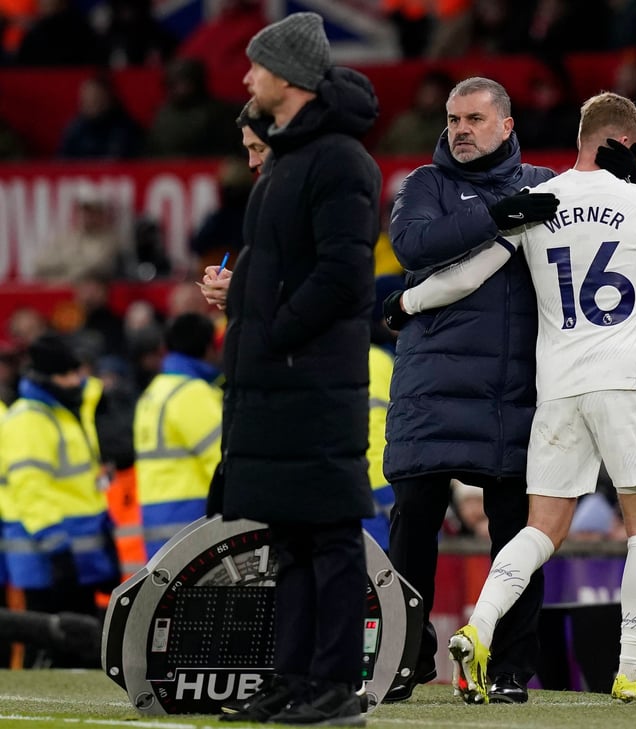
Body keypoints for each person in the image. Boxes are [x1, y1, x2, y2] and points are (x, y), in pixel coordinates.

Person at [389, 91, 636, 703]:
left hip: (556, 385)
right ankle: (632, 668)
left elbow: (468, 275)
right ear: (626, 145)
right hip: (623, 377)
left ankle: (478, 627)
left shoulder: (540, 199)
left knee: (540, 529)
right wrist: (635, 334)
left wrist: (406, 302)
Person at [201, 13, 382, 727]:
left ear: (287, 76)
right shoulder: (285, 159)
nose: (247, 78)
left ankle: (335, 685)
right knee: (292, 538)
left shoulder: (339, 159)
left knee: (330, 536)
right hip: (285, 380)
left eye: (256, 66)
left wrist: (274, 332)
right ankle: (294, 678)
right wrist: (246, 302)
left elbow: (344, 275)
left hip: (314, 379)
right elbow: (287, 270)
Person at [0, 333, 119, 667]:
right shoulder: (29, 420)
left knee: (80, 645)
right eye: (68, 374)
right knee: (46, 644)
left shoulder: (64, 414)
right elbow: (30, 490)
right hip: (47, 555)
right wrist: (56, 547)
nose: (76, 381)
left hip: (76, 554)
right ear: (48, 378)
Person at [133, 313, 222, 559]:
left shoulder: (153, 392)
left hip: (156, 517)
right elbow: (220, 460)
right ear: (208, 348)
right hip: (194, 517)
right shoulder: (193, 393)